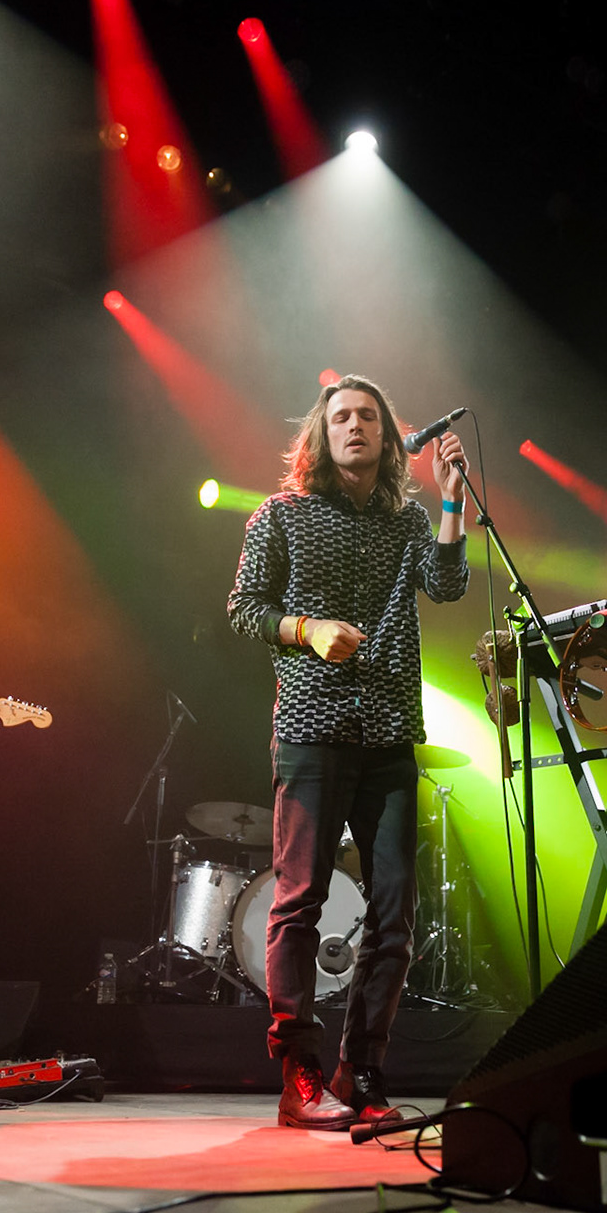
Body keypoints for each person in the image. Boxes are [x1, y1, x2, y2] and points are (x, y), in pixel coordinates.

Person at [228, 376, 469, 1131]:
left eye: (368, 416)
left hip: (389, 732)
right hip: (311, 726)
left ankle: (360, 1071)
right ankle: (298, 1077)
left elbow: (447, 585)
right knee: (299, 901)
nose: (355, 426)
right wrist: (308, 629)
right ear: (321, 435)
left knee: (394, 915)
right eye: (341, 417)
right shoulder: (281, 515)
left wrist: (453, 503)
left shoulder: (408, 521)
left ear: (389, 438)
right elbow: (244, 608)